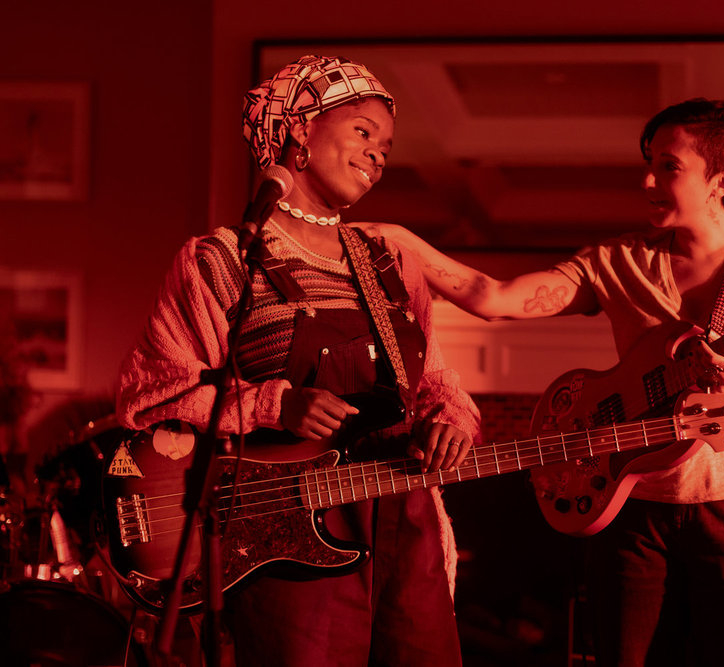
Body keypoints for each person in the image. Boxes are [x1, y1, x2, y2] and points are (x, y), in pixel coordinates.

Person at [360, 98, 724, 666]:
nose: (647, 179)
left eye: (668, 166)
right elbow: (493, 297)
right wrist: (398, 237)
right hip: (627, 507)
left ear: (722, 181)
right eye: (648, 162)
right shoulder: (617, 261)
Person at [116, 55, 480, 666]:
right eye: (363, 132)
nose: (378, 154)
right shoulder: (223, 259)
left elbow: (437, 382)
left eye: (386, 146)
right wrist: (275, 405)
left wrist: (453, 421)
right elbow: (151, 397)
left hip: (405, 524)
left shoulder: (390, 262)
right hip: (286, 535)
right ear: (298, 130)